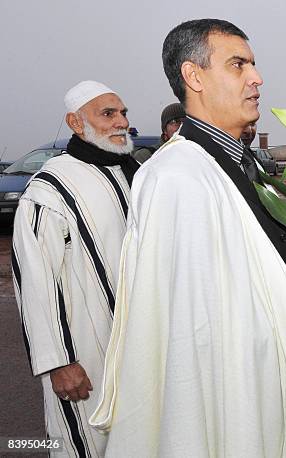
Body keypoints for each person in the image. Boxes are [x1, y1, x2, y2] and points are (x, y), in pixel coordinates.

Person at [89, 19, 286, 457]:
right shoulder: (174, 176)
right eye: (238, 65)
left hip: (273, 376)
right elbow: (191, 333)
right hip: (233, 396)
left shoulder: (243, 164)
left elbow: (255, 266)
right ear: (194, 76)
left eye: (254, 65)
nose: (257, 78)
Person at [12, 80, 139, 457]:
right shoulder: (50, 188)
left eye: (123, 112)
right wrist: (59, 363)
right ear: (75, 122)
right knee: (84, 444)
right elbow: (35, 281)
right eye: (108, 113)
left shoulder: (131, 172)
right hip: (86, 353)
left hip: (137, 346)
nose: (121, 122)